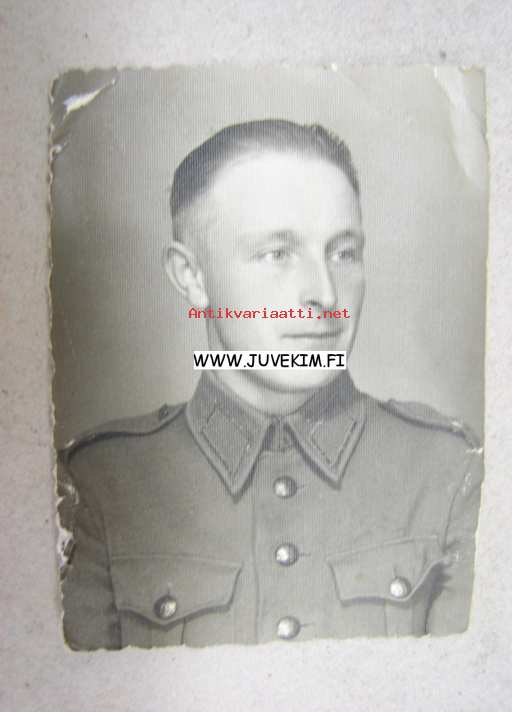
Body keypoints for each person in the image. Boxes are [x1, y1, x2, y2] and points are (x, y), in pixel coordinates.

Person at [57, 119, 483, 650]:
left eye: (343, 252)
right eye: (277, 254)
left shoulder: (449, 471)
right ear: (192, 277)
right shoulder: (98, 487)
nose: (325, 294)